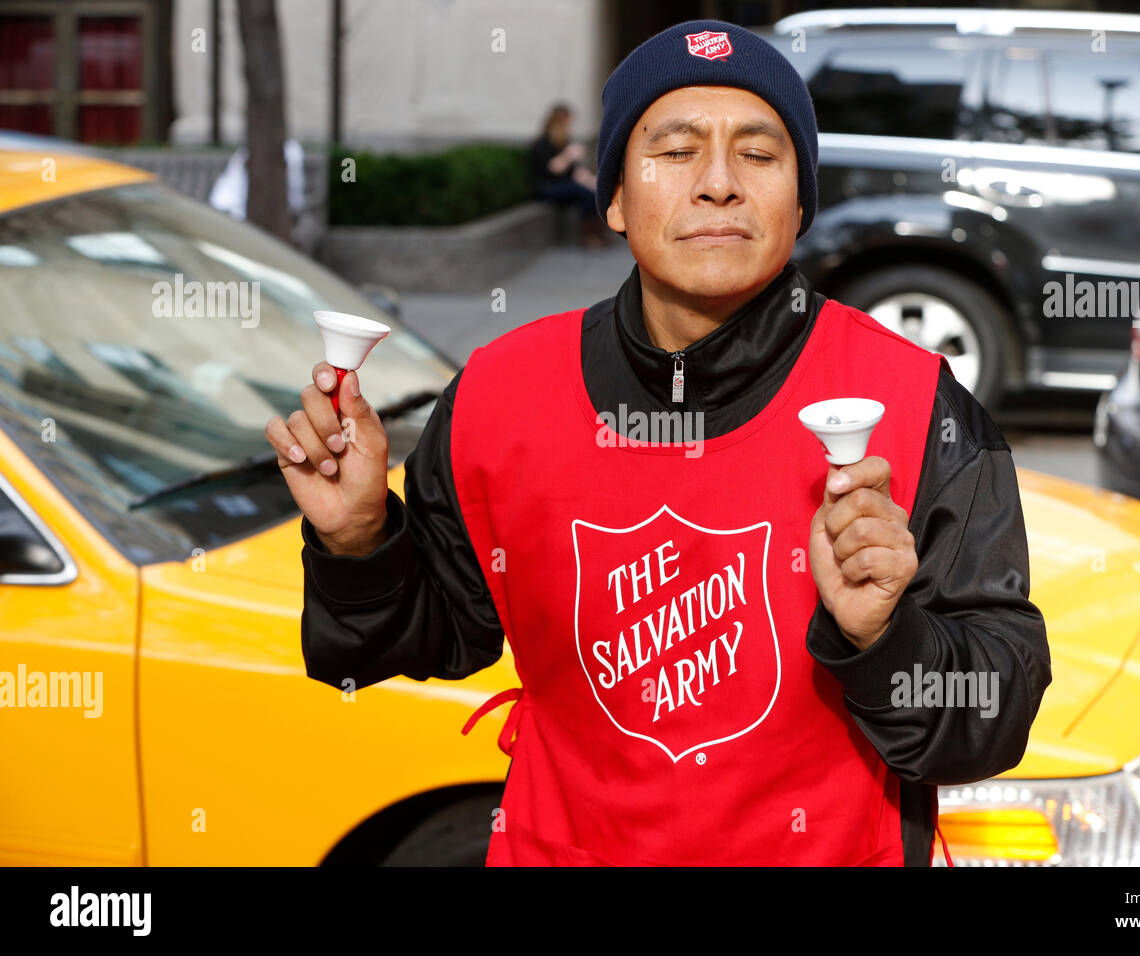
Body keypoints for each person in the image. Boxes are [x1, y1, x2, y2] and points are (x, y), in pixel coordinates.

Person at [265, 18, 1051, 866]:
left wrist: (883, 639)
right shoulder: (501, 395)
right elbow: (430, 637)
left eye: (758, 153)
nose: (718, 184)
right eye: (674, 151)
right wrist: (359, 541)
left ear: (799, 201)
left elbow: (994, 712)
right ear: (611, 196)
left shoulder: (915, 403)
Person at [529, 103, 611, 248]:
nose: (569, 127)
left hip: (564, 184)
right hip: (547, 187)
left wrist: (593, 181)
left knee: (595, 190)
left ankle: (599, 232)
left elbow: (574, 173)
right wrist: (569, 155)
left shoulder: (563, 142)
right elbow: (553, 169)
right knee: (585, 194)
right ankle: (588, 236)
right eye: (567, 123)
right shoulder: (542, 143)